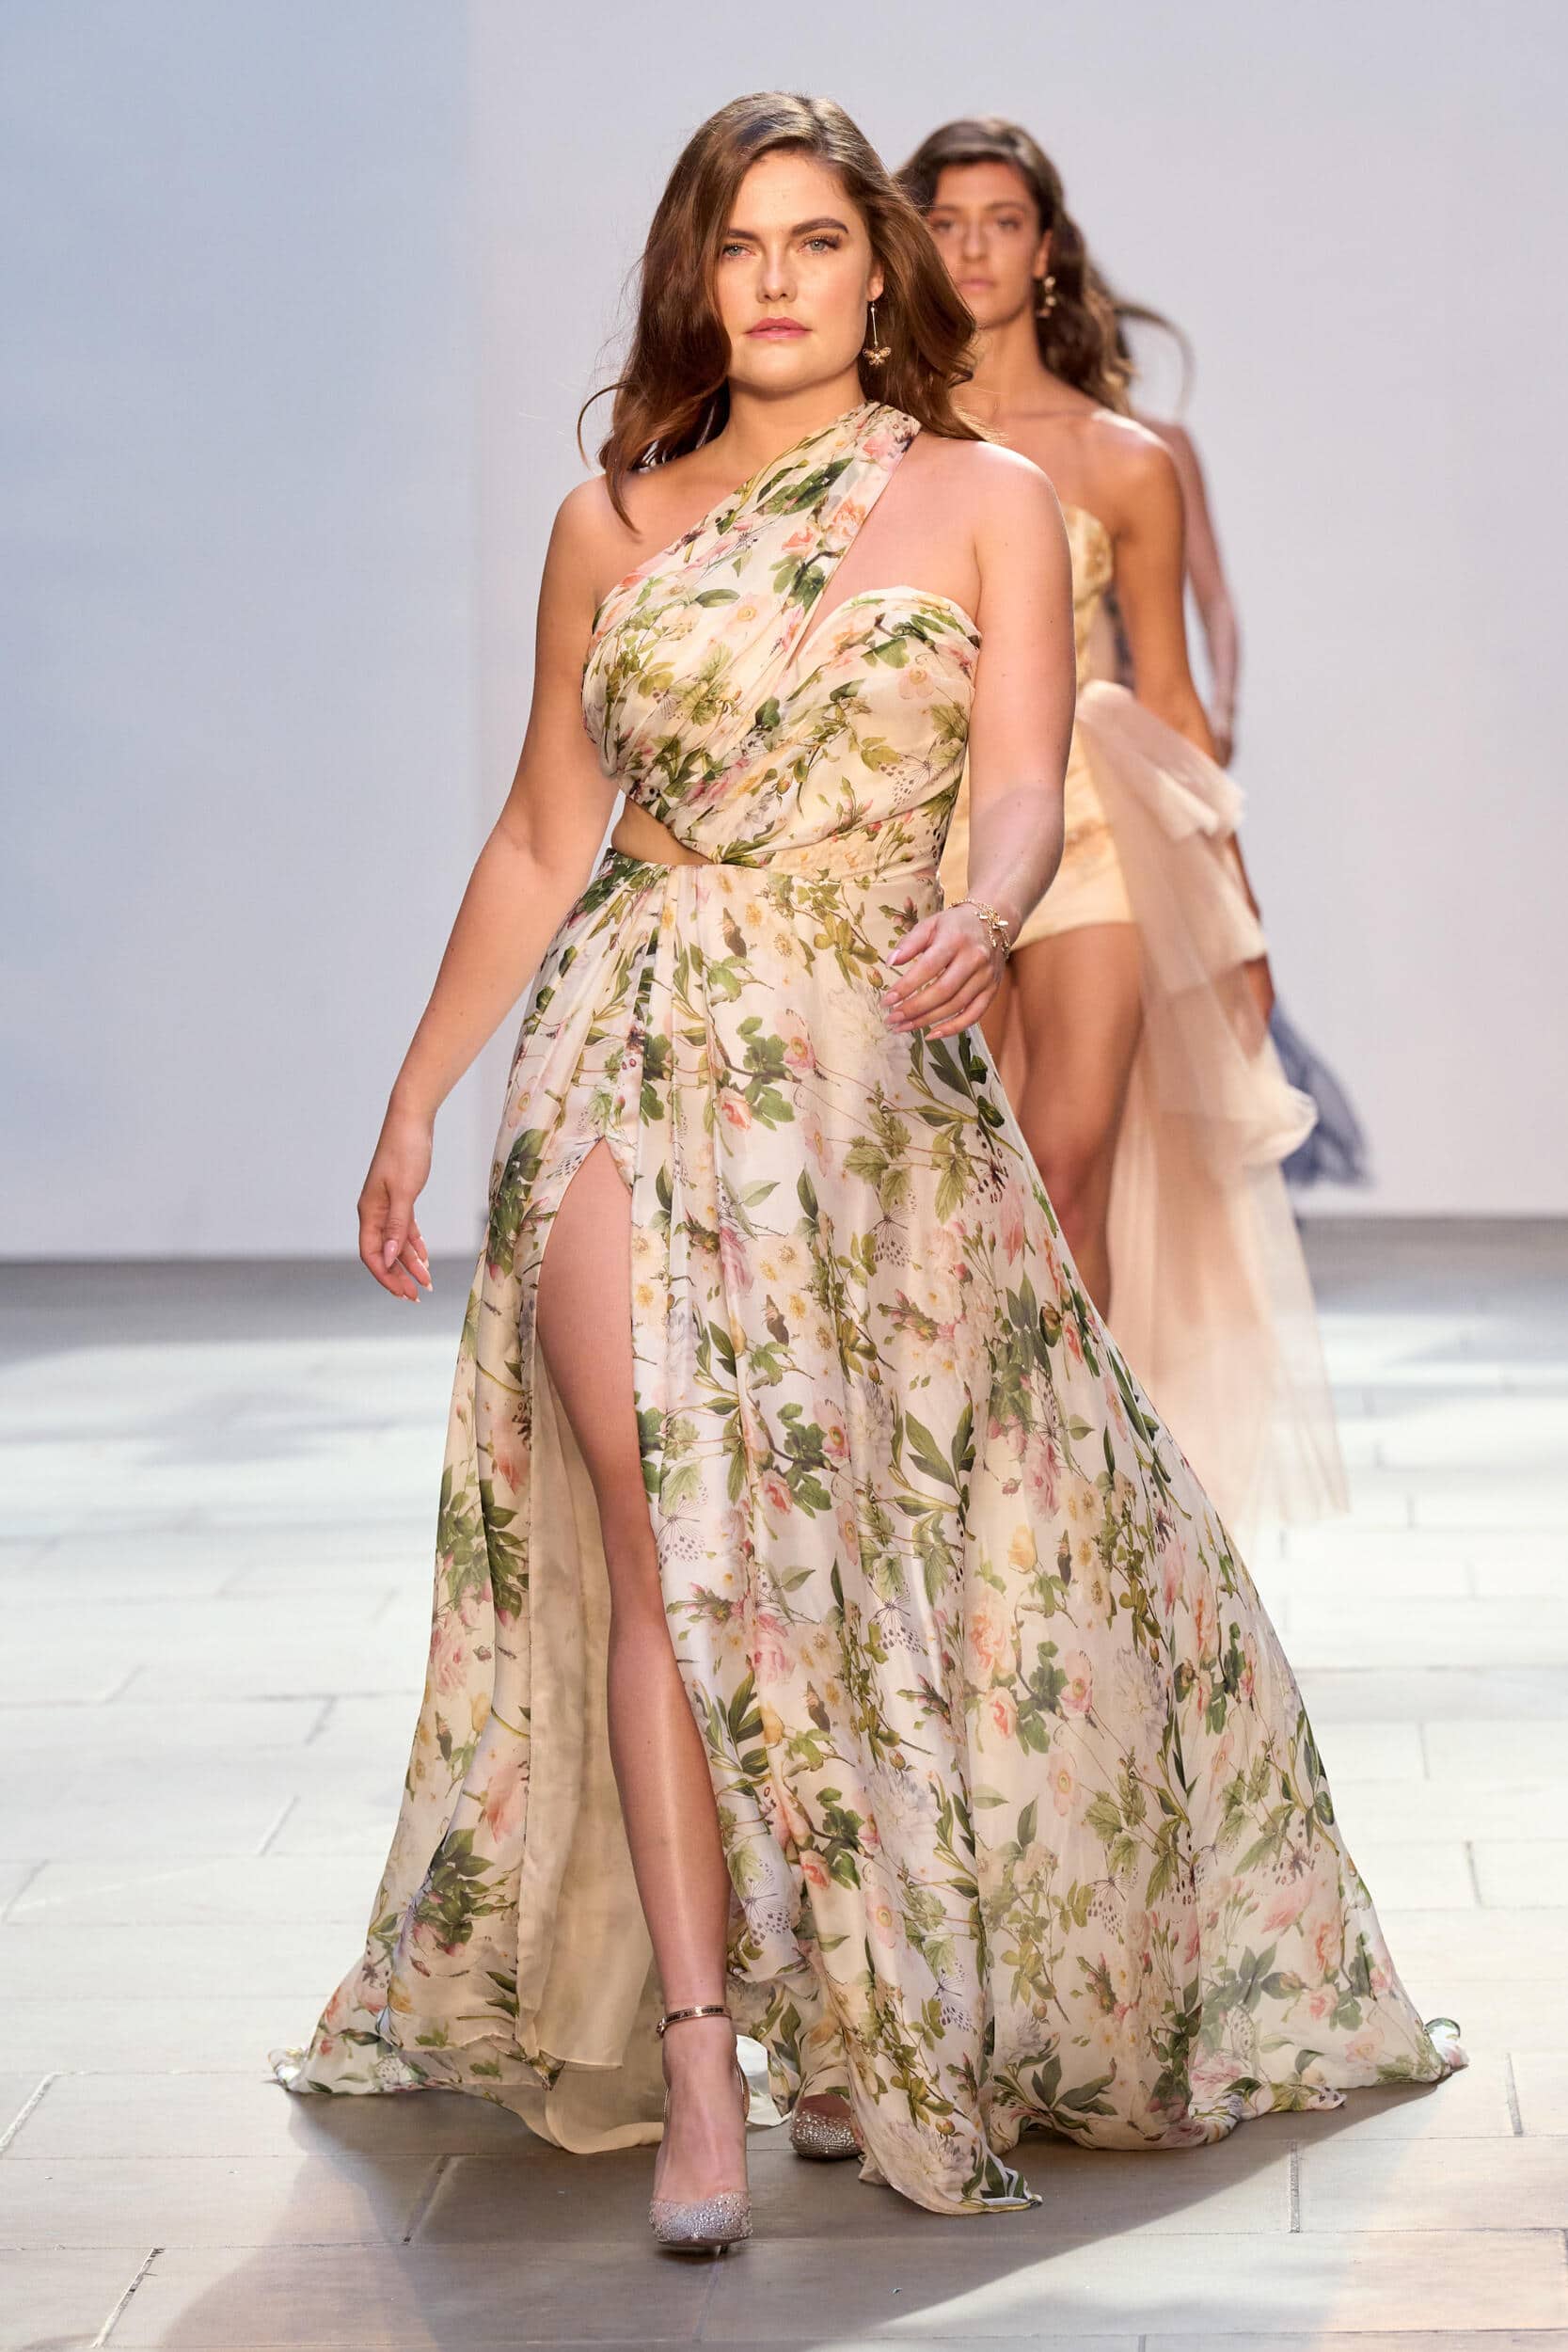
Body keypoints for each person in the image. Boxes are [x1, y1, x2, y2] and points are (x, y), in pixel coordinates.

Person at [273, 91, 1463, 2245]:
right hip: (630, 1036)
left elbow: (1021, 779)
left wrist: (991, 910)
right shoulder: (611, 522)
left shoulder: (992, 498)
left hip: (867, 1051)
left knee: (870, 1531)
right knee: (666, 1525)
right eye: (741, 244)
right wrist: (418, 1092)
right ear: (694, 275)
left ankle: (855, 1996)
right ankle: (701, 2051)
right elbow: (545, 830)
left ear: (874, 268)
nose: (779, 278)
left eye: (818, 239)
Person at [900, 117, 1346, 1534]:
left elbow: (1176, 702)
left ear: (1047, 249)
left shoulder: (1124, 460)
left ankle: (1067, 1520)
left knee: (1067, 1177)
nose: (975, 248)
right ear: (914, 243)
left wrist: (1237, 918)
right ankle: (959, 1495)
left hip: (1095, 837)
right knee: (960, 1185)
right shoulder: (882, 446)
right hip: (921, 843)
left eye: (1002, 221)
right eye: (947, 221)